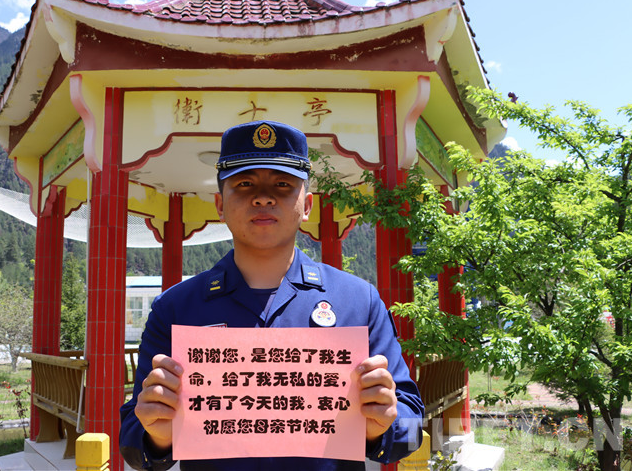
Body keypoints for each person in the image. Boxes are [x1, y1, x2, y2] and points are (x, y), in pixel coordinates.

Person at [120, 120, 424, 470]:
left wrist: (381, 428)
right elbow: (132, 442)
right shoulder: (175, 308)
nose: (263, 197)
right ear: (219, 204)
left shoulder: (359, 302)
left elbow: (414, 431)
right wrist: (158, 435)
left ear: (307, 205)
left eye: (282, 185)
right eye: (244, 184)